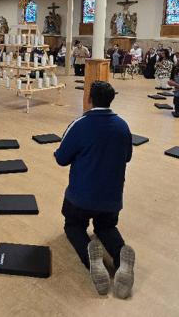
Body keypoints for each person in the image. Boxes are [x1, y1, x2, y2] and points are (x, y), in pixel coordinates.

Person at [54, 81, 135, 299]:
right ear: (111, 99)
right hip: (112, 198)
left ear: (88, 98)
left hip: (81, 197)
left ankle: (92, 259)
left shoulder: (80, 124)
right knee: (106, 227)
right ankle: (120, 255)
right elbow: (127, 157)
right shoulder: (123, 125)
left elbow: (61, 159)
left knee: (73, 225)